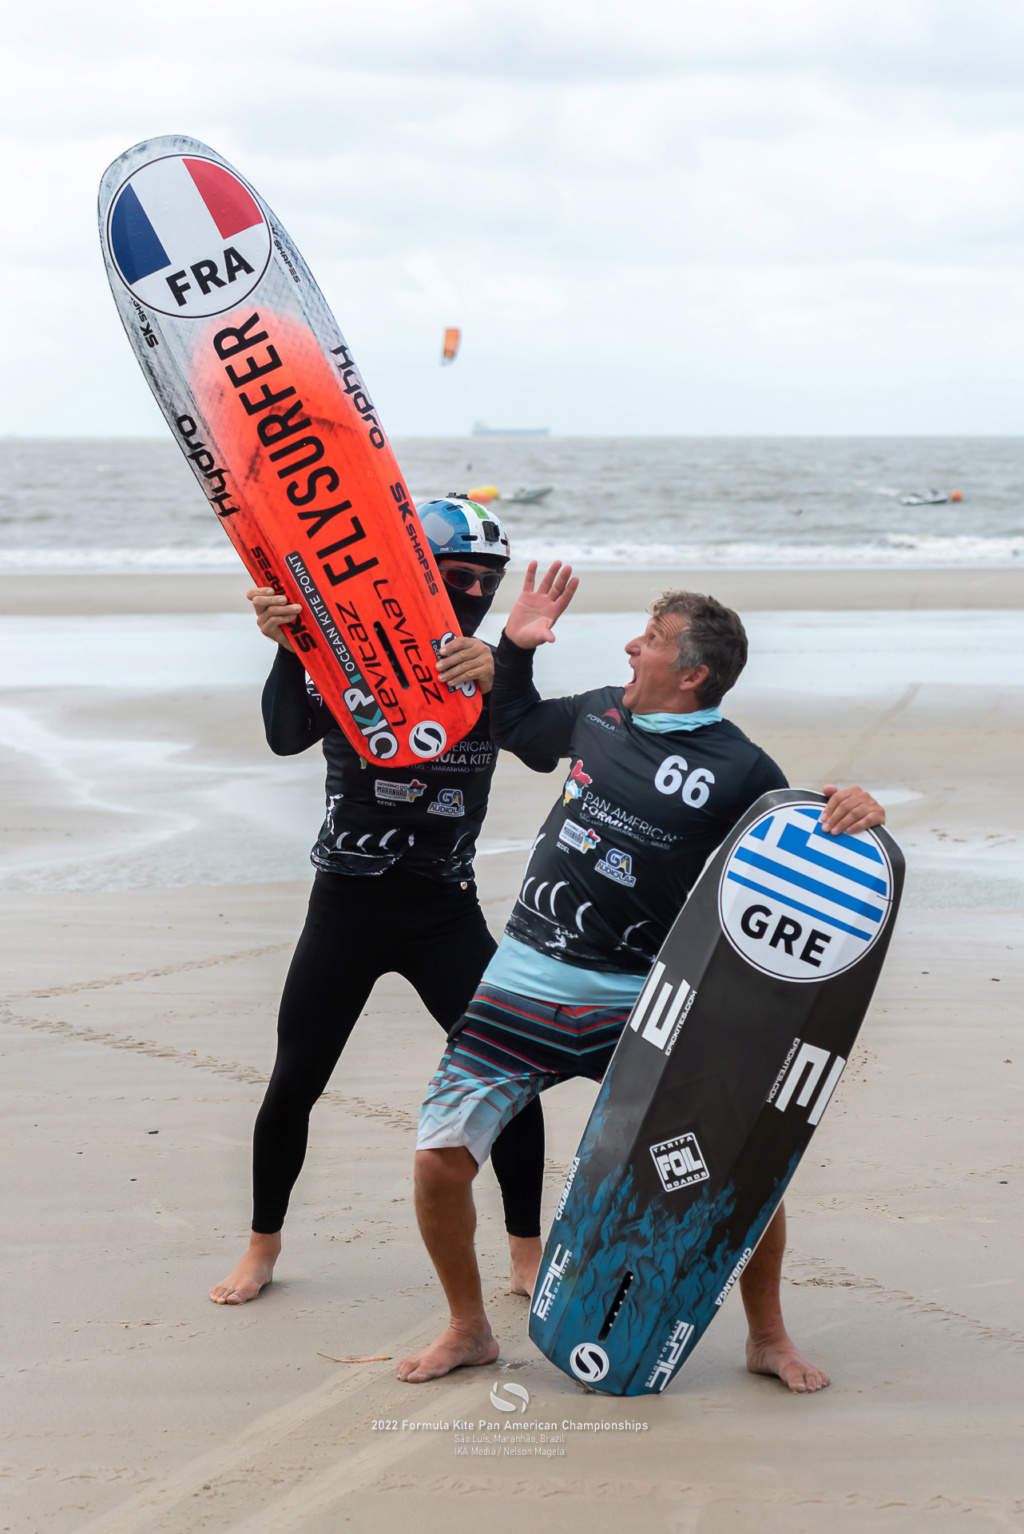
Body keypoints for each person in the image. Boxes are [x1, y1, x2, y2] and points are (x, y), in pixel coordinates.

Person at [398, 561, 885, 1391]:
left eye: (652, 641)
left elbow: (796, 854)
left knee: (730, 1165)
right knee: (441, 1155)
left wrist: (856, 814)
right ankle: (468, 1327)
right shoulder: (595, 714)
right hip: (523, 976)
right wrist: (514, 648)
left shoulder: (742, 772)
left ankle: (766, 1335)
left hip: (650, 1002)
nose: (631, 645)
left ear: (692, 673)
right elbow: (515, 724)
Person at [209, 501, 553, 1306]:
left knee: (511, 1077)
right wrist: (290, 648)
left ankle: (526, 1252)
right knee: (295, 1078)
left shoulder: (486, 665)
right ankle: (261, 1247)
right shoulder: (350, 653)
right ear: (415, 573)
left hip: (444, 909)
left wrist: (506, 676)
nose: (471, 590)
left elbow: (540, 752)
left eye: (486, 580)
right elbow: (285, 735)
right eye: (454, 575)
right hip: (346, 908)